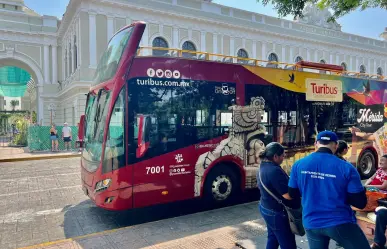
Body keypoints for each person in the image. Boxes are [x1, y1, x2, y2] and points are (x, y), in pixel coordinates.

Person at [288, 130, 369, 249]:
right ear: (336, 146)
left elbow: (292, 194)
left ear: (316, 144)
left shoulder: (298, 164)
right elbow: (360, 203)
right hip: (339, 222)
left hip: (311, 222)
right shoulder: (346, 168)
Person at [257, 142, 301, 249]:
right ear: (275, 156)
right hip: (277, 213)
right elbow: (288, 196)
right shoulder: (274, 171)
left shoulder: (263, 165)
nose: (283, 158)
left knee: (273, 238)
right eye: (283, 156)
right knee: (288, 244)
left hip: (265, 207)